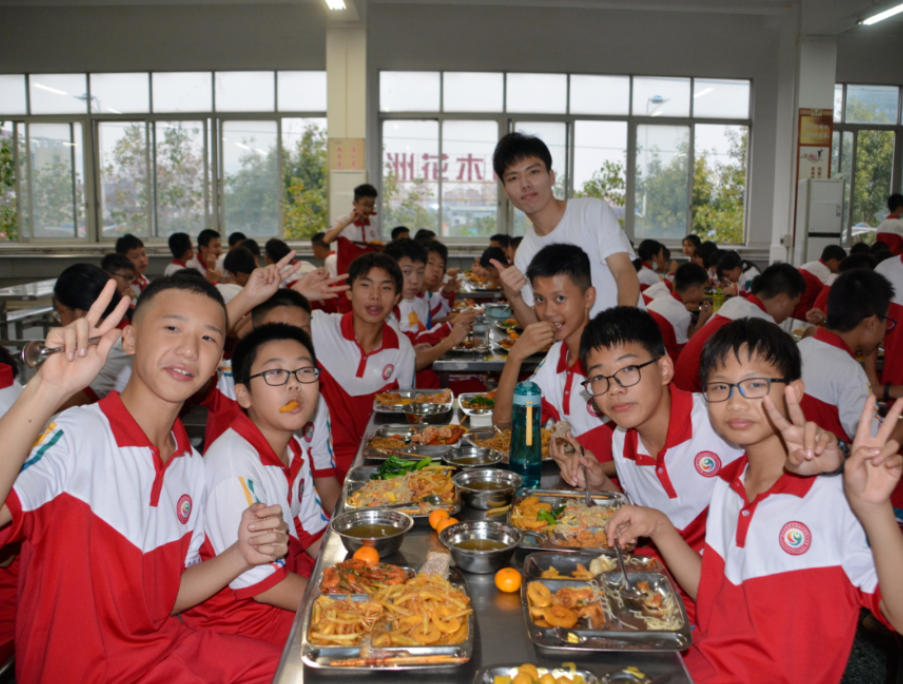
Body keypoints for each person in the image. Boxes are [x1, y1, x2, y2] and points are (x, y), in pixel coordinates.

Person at [0, 274, 289, 680]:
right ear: (131, 339)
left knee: (299, 669)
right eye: (172, 328)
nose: (189, 349)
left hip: (162, 652)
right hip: (82, 672)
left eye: (208, 338)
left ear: (217, 362)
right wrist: (46, 388)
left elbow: (166, 596)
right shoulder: (77, 435)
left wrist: (242, 554)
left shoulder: (190, 467)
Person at [606, 318, 903, 683]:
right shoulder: (730, 485)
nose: (735, 403)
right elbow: (715, 601)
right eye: (720, 387)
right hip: (704, 665)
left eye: (755, 385)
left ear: (793, 392)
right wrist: (658, 526)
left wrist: (875, 508)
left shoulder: (833, 495)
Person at [555, 307, 743, 561]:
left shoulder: (718, 423)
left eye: (628, 370)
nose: (614, 389)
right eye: (599, 377)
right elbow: (641, 515)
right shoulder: (622, 441)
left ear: (664, 369)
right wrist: (601, 485)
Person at [182, 323, 328, 647]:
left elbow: (312, 531)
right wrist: (344, 601)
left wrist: (357, 571)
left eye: (304, 371)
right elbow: (264, 586)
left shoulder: (293, 446)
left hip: (278, 582)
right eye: (275, 373)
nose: (294, 385)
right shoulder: (235, 468)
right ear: (243, 394)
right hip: (238, 617)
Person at [490, 132, 640, 326]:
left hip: (628, 337)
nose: (525, 184)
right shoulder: (525, 254)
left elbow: (624, 272)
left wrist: (621, 330)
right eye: (513, 178)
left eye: (533, 172)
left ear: (551, 176)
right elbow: (538, 327)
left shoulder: (591, 212)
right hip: (576, 346)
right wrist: (514, 297)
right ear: (506, 192)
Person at [493, 244, 612, 459]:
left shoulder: (612, 359)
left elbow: (644, 449)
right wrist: (515, 357)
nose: (548, 312)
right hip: (571, 476)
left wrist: (592, 469)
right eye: (540, 299)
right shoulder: (557, 355)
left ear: (588, 297)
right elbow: (503, 423)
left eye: (560, 299)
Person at [311, 252, 416, 481]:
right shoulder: (319, 327)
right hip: (320, 466)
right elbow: (255, 327)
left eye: (385, 288)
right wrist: (296, 295)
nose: (375, 296)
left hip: (375, 468)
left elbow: (404, 417)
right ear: (349, 292)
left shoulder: (402, 348)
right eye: (366, 285)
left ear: (397, 298)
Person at [798, 269, 897, 446]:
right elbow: (873, 442)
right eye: (887, 322)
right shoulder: (849, 372)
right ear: (872, 323)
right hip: (827, 459)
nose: (884, 333)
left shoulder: (802, 346)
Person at [673, 262, 805, 392]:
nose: (791, 312)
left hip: (682, 385)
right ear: (782, 299)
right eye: (794, 305)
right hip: (696, 394)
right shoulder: (761, 323)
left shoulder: (735, 304)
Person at [383, 239, 477, 376]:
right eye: (406, 272)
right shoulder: (392, 309)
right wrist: (450, 329)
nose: (415, 280)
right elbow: (411, 351)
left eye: (420, 272)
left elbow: (412, 341)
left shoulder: (410, 300)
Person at [52, 264, 132, 409]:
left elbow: (64, 404)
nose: (61, 321)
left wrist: (46, 377)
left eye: (61, 312)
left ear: (80, 314)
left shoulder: (119, 347)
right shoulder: (118, 334)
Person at [647, 263, 712, 360]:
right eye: (704, 289)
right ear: (693, 291)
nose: (704, 294)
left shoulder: (659, 300)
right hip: (666, 361)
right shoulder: (682, 315)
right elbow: (688, 350)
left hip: (650, 352)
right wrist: (701, 321)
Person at [793, 244, 846, 319]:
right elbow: (836, 294)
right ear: (833, 261)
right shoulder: (824, 272)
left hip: (793, 309)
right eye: (840, 264)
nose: (841, 268)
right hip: (802, 314)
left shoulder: (811, 265)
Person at [422, 239, 458, 325]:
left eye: (440, 266)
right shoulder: (409, 298)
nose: (436, 270)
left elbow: (438, 314)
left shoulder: (427, 294)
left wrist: (447, 292)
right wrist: (450, 323)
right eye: (430, 263)